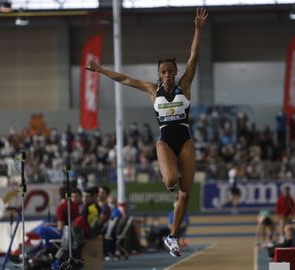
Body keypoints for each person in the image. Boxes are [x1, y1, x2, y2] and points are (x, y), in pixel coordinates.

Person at [85, 7, 208, 258]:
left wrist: (197, 28)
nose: (168, 75)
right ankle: (166, 179)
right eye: (163, 71)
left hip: (185, 139)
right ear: (159, 74)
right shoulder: (153, 90)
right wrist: (100, 70)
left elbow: (194, 55)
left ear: (175, 72)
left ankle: (171, 237)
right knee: (172, 181)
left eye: (171, 71)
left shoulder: (185, 85)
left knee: (186, 193)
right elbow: (123, 79)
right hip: (165, 140)